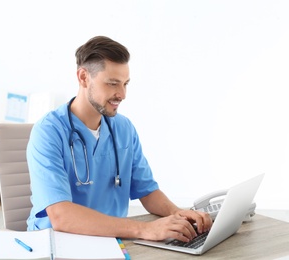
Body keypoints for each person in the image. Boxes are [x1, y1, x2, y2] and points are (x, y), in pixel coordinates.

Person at [26, 36, 212, 243]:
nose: (122, 94)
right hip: (57, 242)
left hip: (110, 240)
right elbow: (61, 216)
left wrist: (177, 214)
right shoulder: (48, 132)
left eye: (125, 84)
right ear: (83, 78)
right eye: (112, 83)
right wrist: (144, 229)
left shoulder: (124, 128)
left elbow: (147, 191)